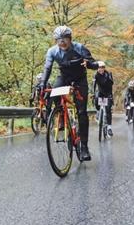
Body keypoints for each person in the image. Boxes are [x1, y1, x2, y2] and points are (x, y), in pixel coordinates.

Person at [41, 25, 98, 161]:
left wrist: (89, 64)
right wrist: (43, 83)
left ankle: (84, 146)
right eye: (59, 40)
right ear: (56, 41)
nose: (62, 42)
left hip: (80, 79)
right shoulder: (52, 51)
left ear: (70, 39)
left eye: (65, 39)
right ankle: (61, 114)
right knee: (54, 92)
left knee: (82, 112)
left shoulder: (79, 48)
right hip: (64, 77)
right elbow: (48, 67)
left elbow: (94, 63)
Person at [92, 61, 114, 137]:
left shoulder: (108, 74)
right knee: (96, 100)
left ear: (104, 68)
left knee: (108, 110)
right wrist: (93, 93)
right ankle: (98, 114)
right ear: (97, 68)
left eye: (102, 67)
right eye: (99, 68)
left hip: (108, 93)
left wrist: (108, 78)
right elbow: (94, 85)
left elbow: (111, 83)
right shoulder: (95, 75)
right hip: (100, 93)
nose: (101, 69)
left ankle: (109, 128)